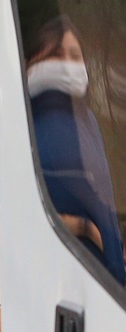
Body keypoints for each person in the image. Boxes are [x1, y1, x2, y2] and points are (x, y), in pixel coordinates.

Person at [26, 16, 125, 282]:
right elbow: (31, 213)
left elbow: (99, 199)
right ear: (32, 61)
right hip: (70, 276)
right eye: (57, 55)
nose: (66, 65)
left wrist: (116, 248)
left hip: (105, 272)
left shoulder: (87, 120)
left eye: (74, 55)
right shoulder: (29, 124)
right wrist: (86, 228)